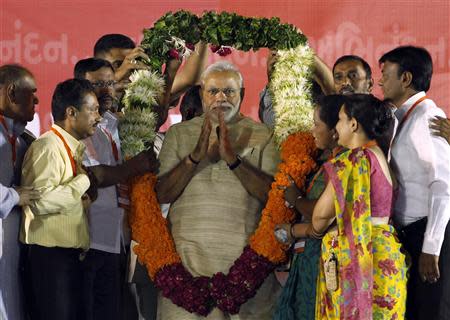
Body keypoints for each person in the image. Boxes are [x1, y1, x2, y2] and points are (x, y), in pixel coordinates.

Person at [155, 61, 281, 319]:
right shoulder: (178, 134)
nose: (221, 97)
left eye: (229, 91)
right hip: (186, 271)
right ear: (201, 93)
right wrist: (193, 158)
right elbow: (162, 194)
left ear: (242, 95)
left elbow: (273, 197)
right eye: (213, 91)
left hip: (245, 274)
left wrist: (233, 160)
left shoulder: (265, 135)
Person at [281, 94, 407, 319]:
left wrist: (298, 203)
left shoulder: (350, 161)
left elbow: (320, 219)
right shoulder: (382, 157)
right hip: (385, 258)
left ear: (353, 124)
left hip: (357, 262)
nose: (336, 127)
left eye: (340, 120)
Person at [74, 57, 160, 320]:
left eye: (111, 83)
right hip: (90, 240)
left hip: (118, 238)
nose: (106, 90)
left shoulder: (113, 123)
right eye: (97, 84)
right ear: (80, 87)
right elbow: (94, 176)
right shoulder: (78, 126)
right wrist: (133, 167)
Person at [20, 78, 102, 320]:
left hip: (70, 260)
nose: (99, 116)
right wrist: (84, 181)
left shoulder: (70, 148)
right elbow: (41, 202)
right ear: (71, 112)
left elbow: (62, 202)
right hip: (51, 261)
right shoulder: (47, 146)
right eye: (93, 109)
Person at [379, 45, 450, 319]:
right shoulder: (405, 118)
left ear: (406, 79)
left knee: (431, 312)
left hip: (429, 236)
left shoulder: (428, 117)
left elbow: (443, 185)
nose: (381, 81)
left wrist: (430, 248)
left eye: (386, 74)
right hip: (412, 236)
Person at [273, 94, 345, 320]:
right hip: (309, 255)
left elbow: (323, 215)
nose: (312, 131)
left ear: (335, 130)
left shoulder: (344, 163)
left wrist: (295, 199)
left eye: (317, 125)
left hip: (324, 258)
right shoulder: (325, 158)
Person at [0, 64, 41, 320]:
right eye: (32, 92)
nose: (37, 99)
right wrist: (14, 196)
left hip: (13, 247)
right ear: (12, 92)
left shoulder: (22, 138)